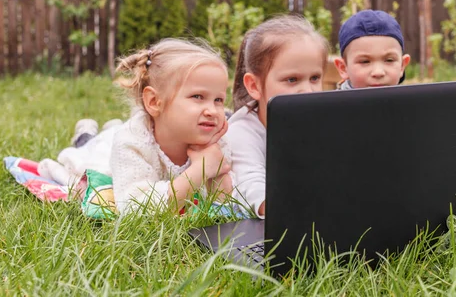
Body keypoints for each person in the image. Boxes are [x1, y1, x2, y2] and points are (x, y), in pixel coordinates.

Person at [110, 39, 233, 215]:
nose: (212, 111)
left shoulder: (216, 142)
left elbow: (228, 205)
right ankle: (87, 133)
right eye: (198, 96)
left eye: (218, 100)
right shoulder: (131, 142)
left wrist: (218, 170)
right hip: (110, 145)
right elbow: (133, 208)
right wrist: (201, 169)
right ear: (154, 102)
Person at [227, 15, 329, 218]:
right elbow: (250, 184)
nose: (307, 91)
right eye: (292, 80)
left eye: (315, 78)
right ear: (254, 86)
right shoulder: (242, 131)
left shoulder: (323, 121)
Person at [333, 10, 411, 89]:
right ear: (343, 68)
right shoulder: (332, 101)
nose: (378, 72)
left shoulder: (414, 101)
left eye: (389, 60)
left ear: (402, 66)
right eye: (365, 61)